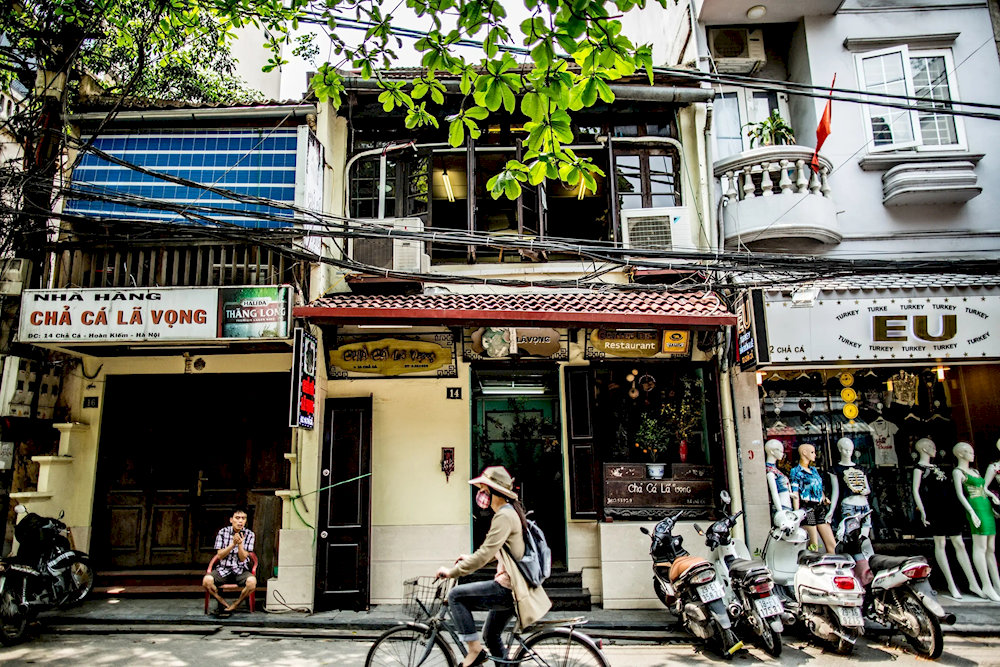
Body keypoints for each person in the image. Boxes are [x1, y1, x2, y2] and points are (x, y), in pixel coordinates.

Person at [436, 466, 551, 667]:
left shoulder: (504, 516)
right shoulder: (509, 512)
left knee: (455, 596)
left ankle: (474, 651)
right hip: (514, 586)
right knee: (491, 634)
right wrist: (470, 557)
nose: (481, 494)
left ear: (492, 492)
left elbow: (485, 555)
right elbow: (496, 551)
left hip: (508, 588)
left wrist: (451, 572)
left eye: (483, 489)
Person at [202, 506, 257, 616]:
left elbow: (243, 558)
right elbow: (220, 555)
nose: (240, 521)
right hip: (223, 569)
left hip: (241, 570)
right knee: (206, 581)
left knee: (252, 583)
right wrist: (233, 544)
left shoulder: (250, 534)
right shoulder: (223, 532)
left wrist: (240, 544)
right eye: (237, 518)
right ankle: (221, 601)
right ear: (231, 520)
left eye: (243, 518)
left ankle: (236, 604)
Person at [789, 443, 836, 553]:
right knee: (813, 544)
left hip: (819, 506)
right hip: (808, 507)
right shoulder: (796, 471)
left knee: (831, 543)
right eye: (812, 452)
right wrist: (797, 512)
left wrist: (824, 498)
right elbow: (795, 491)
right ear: (804, 453)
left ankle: (834, 565)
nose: (815, 455)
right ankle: (812, 567)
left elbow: (818, 487)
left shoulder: (814, 470)